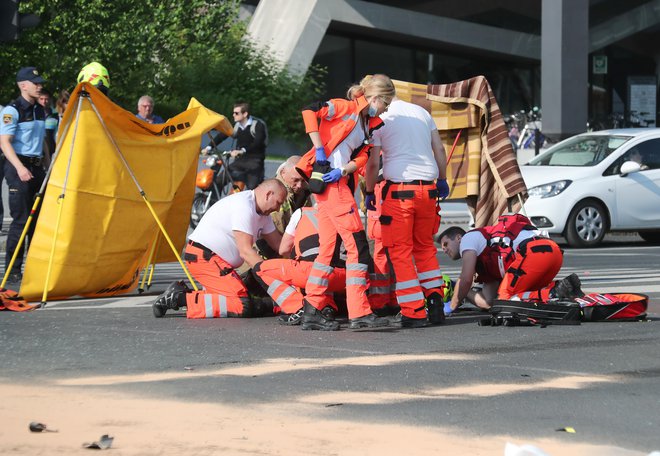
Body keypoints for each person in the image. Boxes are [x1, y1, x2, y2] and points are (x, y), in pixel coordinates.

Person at [295, 75, 393, 331]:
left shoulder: (366, 122)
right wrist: (318, 149)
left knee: (327, 250)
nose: (387, 109)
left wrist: (346, 170)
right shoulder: (347, 107)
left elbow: (362, 156)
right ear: (375, 98)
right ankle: (359, 312)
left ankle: (312, 309)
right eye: (386, 103)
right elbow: (309, 109)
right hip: (333, 188)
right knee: (358, 248)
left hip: (333, 184)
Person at [364, 74, 450, 328]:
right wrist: (442, 179)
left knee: (400, 252)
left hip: (399, 193)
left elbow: (373, 162)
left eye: (368, 97)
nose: (367, 103)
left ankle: (413, 311)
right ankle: (435, 304)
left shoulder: (381, 119)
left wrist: (369, 191)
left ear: (378, 96)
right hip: (428, 191)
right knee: (424, 248)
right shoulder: (421, 112)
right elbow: (440, 150)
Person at [152, 179, 286, 319]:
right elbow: (246, 252)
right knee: (242, 305)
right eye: (278, 202)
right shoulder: (244, 206)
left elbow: (280, 246)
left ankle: (182, 294)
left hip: (215, 260)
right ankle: (179, 298)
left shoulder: (263, 214)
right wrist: (275, 284)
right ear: (268, 194)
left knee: (231, 298)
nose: (277, 209)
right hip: (204, 257)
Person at [437, 216, 584, 314]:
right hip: (553, 253)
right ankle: (563, 289)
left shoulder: (468, 239)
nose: (444, 249)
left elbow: (466, 279)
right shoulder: (485, 260)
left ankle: (553, 293)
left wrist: (451, 305)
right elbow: (489, 302)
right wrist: (461, 291)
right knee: (511, 299)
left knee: (506, 301)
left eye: (446, 244)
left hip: (534, 252)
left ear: (458, 238)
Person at [253, 206, 347, 326]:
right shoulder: (343, 212)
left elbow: (283, 250)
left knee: (260, 269)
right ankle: (326, 306)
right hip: (342, 277)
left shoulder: (302, 212)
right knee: (323, 270)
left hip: (311, 272)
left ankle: (298, 307)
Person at [0, 67, 48, 283]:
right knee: (21, 221)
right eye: (35, 82)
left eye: (40, 82)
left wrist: (47, 165)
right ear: (23, 85)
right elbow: (4, 142)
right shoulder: (12, 110)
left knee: (37, 222)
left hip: (37, 168)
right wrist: (20, 168)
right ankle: (13, 270)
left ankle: (34, 268)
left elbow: (43, 142)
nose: (39, 86)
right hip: (18, 166)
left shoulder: (39, 109)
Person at [204, 102, 267, 190]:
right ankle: (213, 202)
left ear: (245, 114)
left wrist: (242, 151)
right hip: (239, 162)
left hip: (254, 162)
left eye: (236, 113)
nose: (233, 115)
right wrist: (209, 147)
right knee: (218, 181)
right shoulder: (236, 126)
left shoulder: (257, 125)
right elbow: (222, 136)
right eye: (233, 113)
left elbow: (258, 142)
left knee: (252, 189)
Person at [271, 155, 312, 234]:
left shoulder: (305, 191)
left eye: (303, 181)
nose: (299, 185)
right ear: (283, 173)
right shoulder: (274, 194)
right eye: (295, 180)